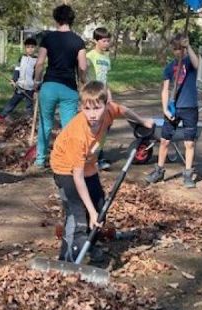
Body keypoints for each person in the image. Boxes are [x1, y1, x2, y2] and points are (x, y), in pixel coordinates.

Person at [50, 81, 153, 263]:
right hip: (65, 168)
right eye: (87, 109)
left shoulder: (109, 112)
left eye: (96, 109)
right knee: (78, 215)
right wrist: (88, 208)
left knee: (99, 208)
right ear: (81, 107)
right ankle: (67, 260)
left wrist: (142, 121)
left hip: (88, 165)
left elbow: (123, 110)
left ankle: (88, 245)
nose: (92, 115)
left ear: (105, 106)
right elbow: (77, 177)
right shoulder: (77, 134)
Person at [32, 4, 88, 172]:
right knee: (69, 127)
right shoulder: (78, 41)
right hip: (69, 88)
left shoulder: (48, 38)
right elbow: (83, 67)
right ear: (72, 20)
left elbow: (40, 62)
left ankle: (40, 161)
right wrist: (83, 82)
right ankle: (68, 160)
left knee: (45, 124)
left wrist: (36, 81)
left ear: (56, 19)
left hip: (49, 86)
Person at [145, 34, 199, 189]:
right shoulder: (169, 67)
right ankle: (159, 170)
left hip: (190, 108)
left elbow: (198, 65)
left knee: (189, 143)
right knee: (164, 141)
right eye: (175, 49)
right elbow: (165, 90)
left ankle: (188, 174)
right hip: (173, 108)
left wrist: (188, 47)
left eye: (181, 49)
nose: (178, 52)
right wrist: (165, 109)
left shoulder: (190, 64)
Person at [86, 27, 113, 171]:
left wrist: (109, 95)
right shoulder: (90, 56)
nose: (107, 43)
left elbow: (105, 79)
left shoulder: (106, 57)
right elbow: (84, 76)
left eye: (108, 41)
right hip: (93, 97)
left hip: (104, 96)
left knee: (105, 127)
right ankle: (91, 156)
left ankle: (99, 156)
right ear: (96, 41)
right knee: (94, 128)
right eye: (104, 41)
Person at [0, 37, 38, 122]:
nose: (30, 49)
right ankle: (2, 115)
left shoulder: (36, 60)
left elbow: (37, 75)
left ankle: (30, 120)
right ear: (25, 48)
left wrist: (36, 87)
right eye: (28, 47)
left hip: (30, 88)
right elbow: (17, 70)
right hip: (20, 86)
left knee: (29, 105)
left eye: (32, 47)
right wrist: (14, 80)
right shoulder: (21, 58)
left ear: (35, 48)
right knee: (13, 101)